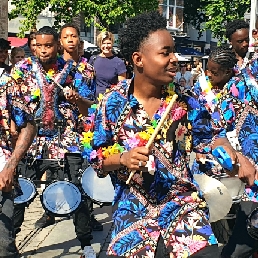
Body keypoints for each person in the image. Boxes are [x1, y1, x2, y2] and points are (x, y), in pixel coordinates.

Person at [85, 11, 240, 258]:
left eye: (174, 51)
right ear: (138, 59)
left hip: (182, 207)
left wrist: (229, 154)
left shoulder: (186, 100)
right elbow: (96, 156)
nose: (174, 59)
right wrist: (122, 159)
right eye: (165, 52)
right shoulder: (111, 103)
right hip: (133, 209)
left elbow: (210, 138)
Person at [11, 26, 96, 258]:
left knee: (76, 190)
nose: (43, 50)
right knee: (20, 191)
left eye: (48, 46)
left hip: (66, 140)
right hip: (32, 141)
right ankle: (10, 242)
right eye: (39, 46)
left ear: (57, 46)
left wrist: (77, 98)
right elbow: (15, 107)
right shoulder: (22, 69)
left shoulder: (75, 71)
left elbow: (89, 108)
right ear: (33, 46)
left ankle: (86, 243)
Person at [59, 22, 102, 232]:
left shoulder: (88, 69)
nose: (70, 39)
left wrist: (79, 101)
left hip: (83, 131)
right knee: (62, 175)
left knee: (84, 175)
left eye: (73, 36)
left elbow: (92, 103)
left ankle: (87, 217)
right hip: (58, 132)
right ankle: (52, 212)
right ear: (60, 41)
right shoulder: (54, 68)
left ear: (79, 40)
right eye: (66, 36)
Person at [0, 60, 36, 257]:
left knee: (3, 247)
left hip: (0, 174)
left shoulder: (6, 83)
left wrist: (10, 166)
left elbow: (28, 126)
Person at [89, 31, 126, 97]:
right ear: (99, 44)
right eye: (103, 43)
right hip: (93, 101)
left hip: (111, 101)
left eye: (108, 43)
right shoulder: (93, 60)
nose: (106, 46)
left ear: (112, 44)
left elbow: (122, 88)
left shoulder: (119, 62)